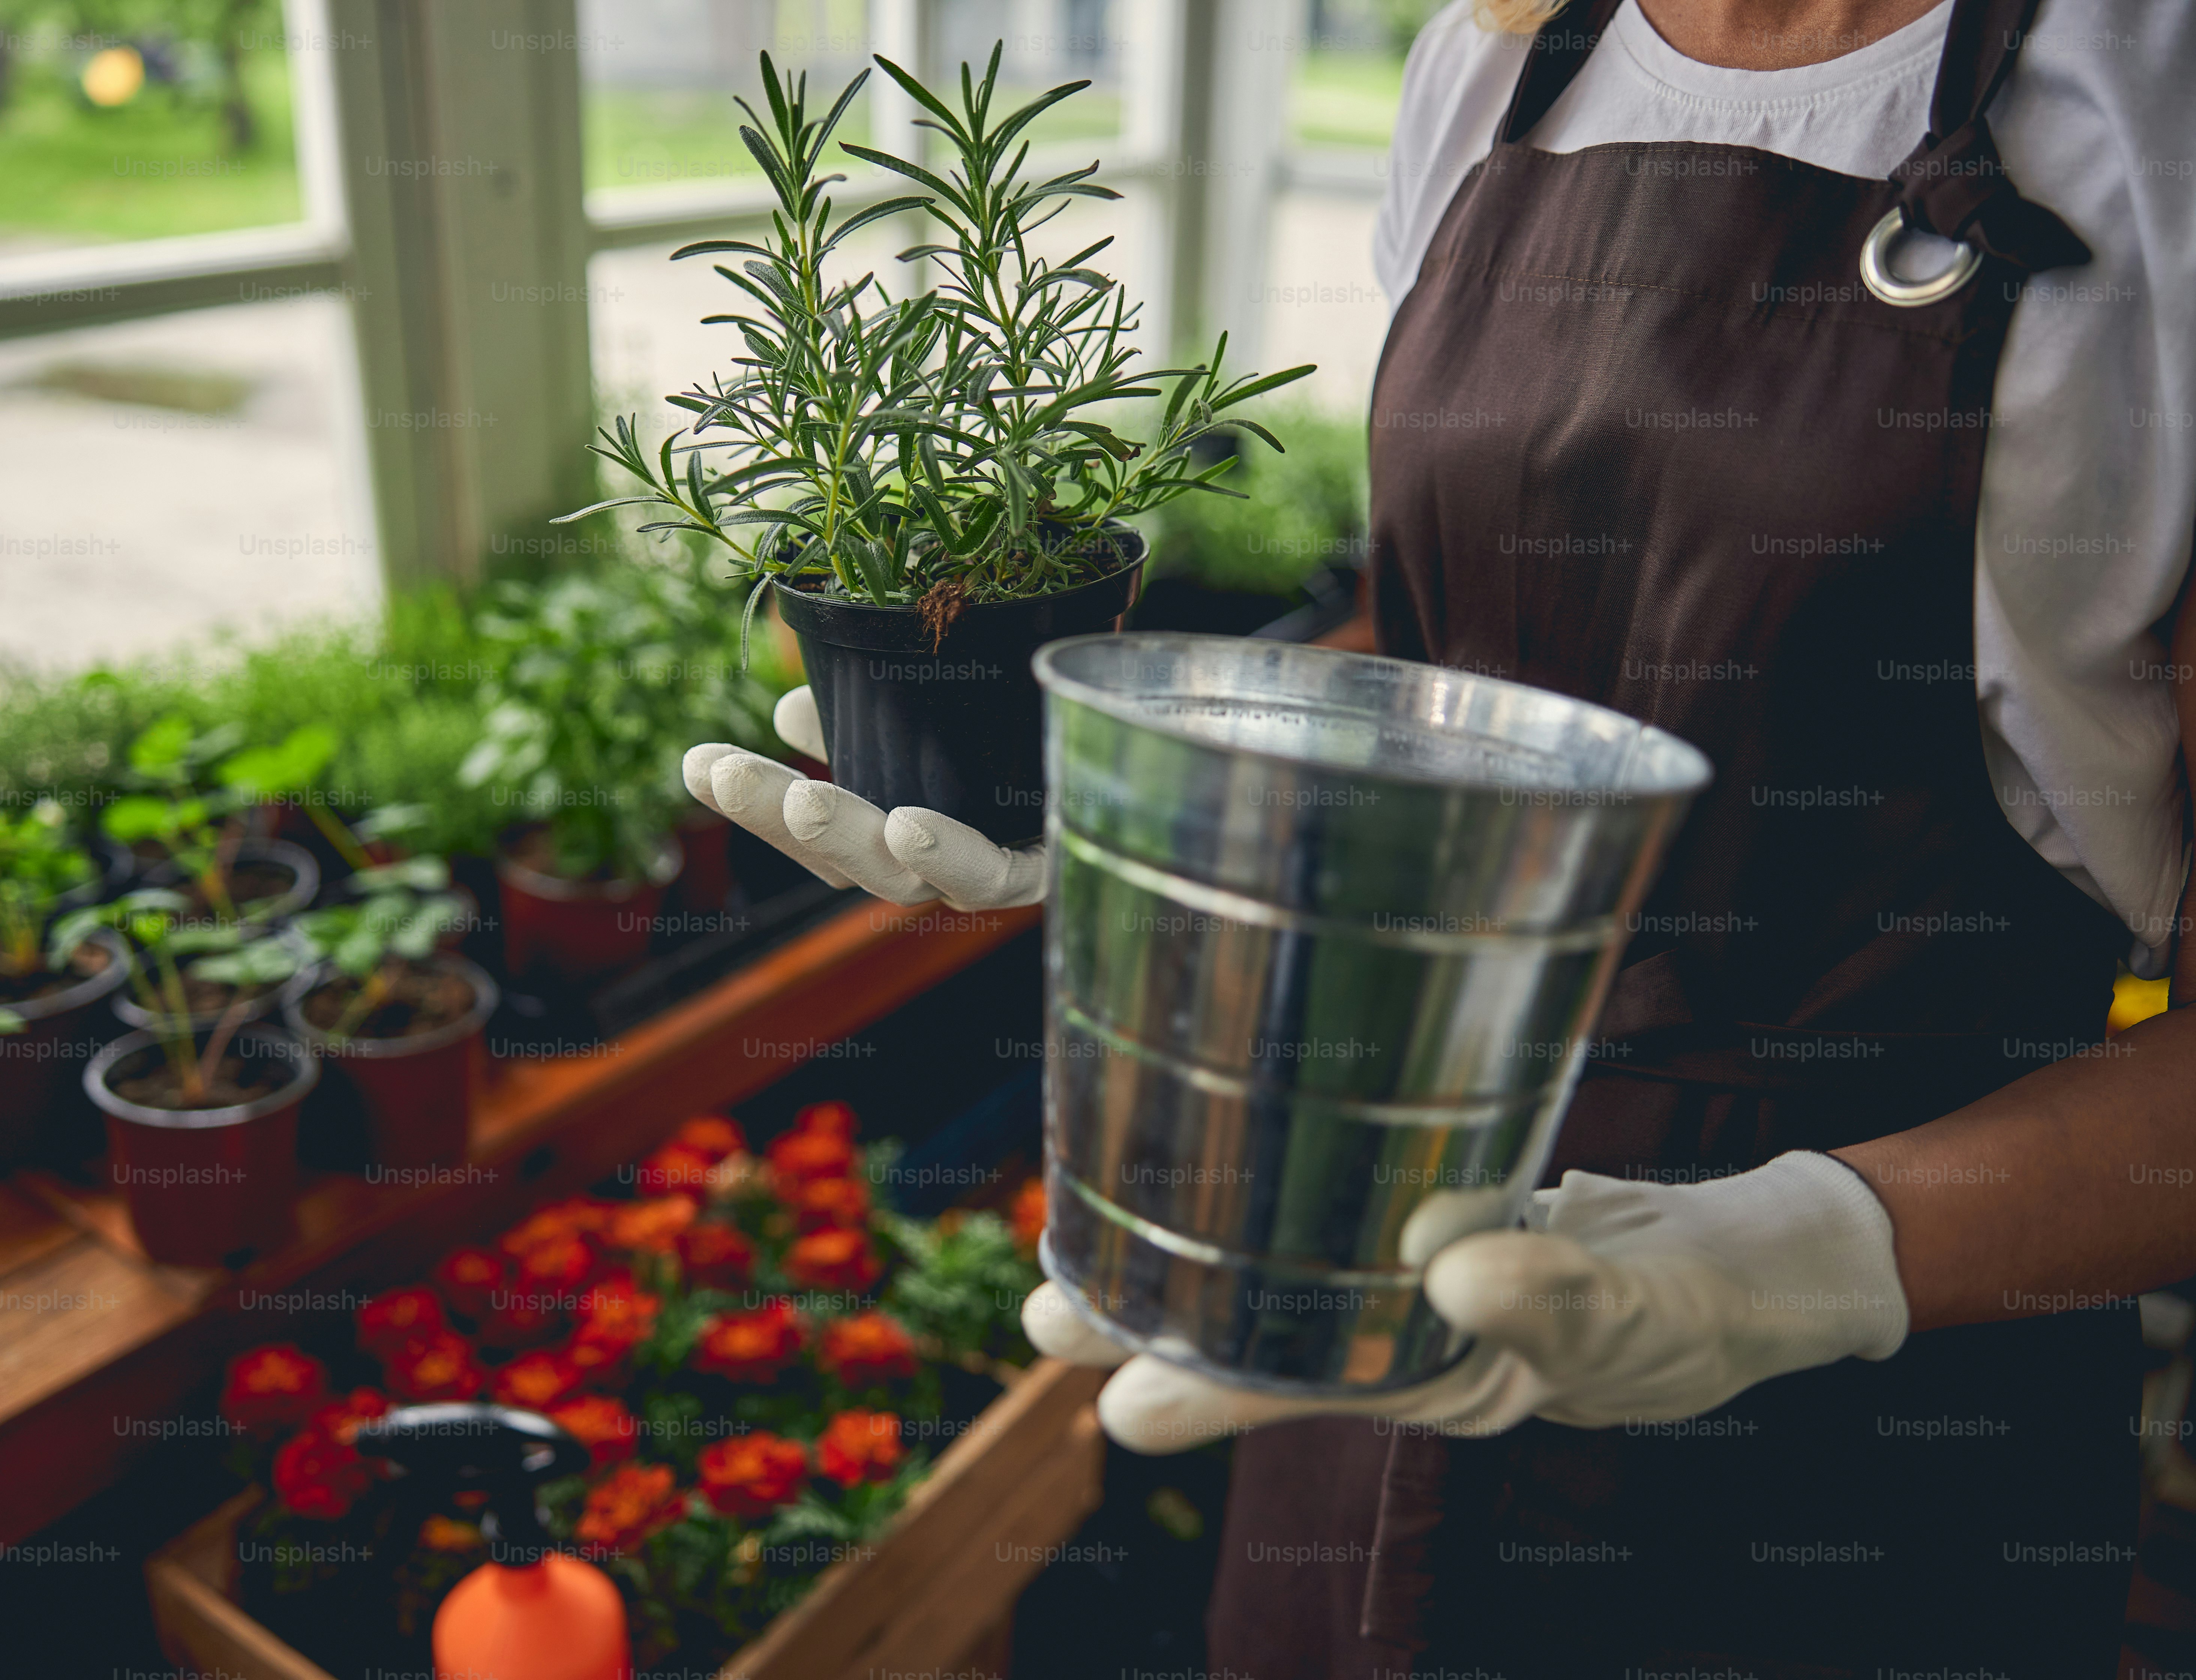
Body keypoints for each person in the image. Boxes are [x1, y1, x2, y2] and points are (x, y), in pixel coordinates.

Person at [685, 0, 2196, 1670]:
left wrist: (1803, 1259)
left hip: (1883, 1385)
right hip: (1368, 1245)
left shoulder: (2153, 94)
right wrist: (1142, 788)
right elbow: (1441, 687)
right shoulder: (1501, 60)